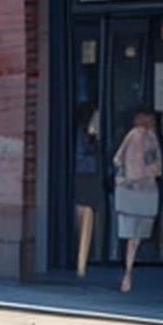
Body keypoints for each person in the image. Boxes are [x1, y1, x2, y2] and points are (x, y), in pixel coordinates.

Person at [112, 109, 162, 294]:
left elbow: (117, 159)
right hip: (144, 192)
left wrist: (125, 177)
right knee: (136, 237)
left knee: (131, 237)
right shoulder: (149, 138)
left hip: (128, 190)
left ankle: (128, 272)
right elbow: (155, 166)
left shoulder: (131, 136)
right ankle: (128, 272)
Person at [73, 103, 101, 278]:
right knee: (86, 214)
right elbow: (84, 156)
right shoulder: (82, 135)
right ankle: (81, 264)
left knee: (84, 214)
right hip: (86, 176)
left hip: (83, 176)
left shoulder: (81, 133)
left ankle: (81, 263)